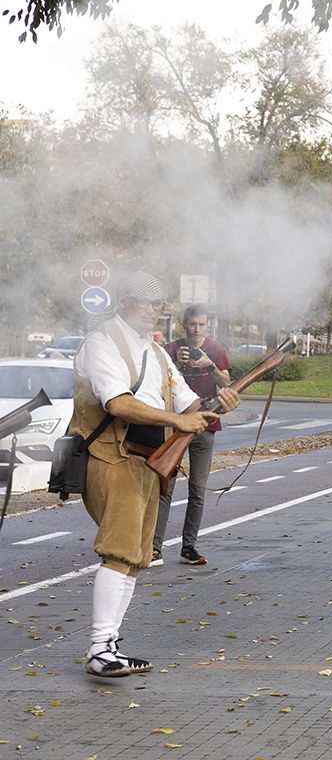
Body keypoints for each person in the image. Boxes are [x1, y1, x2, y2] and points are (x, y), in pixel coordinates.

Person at [71, 272, 239, 677]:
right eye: (146, 303)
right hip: (112, 456)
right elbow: (118, 404)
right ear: (124, 303)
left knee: (135, 558)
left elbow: (191, 403)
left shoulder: (157, 352)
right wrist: (179, 422)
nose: (153, 311)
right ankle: (99, 649)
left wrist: (223, 400)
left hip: (148, 460)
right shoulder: (102, 343)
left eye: (158, 305)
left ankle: (109, 644)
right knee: (119, 552)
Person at [152, 305, 233, 566]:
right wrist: (177, 363)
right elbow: (156, 382)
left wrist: (208, 365)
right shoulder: (170, 350)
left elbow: (227, 385)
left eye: (201, 325)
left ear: (207, 326)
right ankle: (154, 547)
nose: (197, 330)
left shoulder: (216, 350)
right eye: (192, 325)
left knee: (198, 489)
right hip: (173, 426)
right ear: (184, 325)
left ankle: (189, 546)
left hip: (206, 425)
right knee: (165, 487)